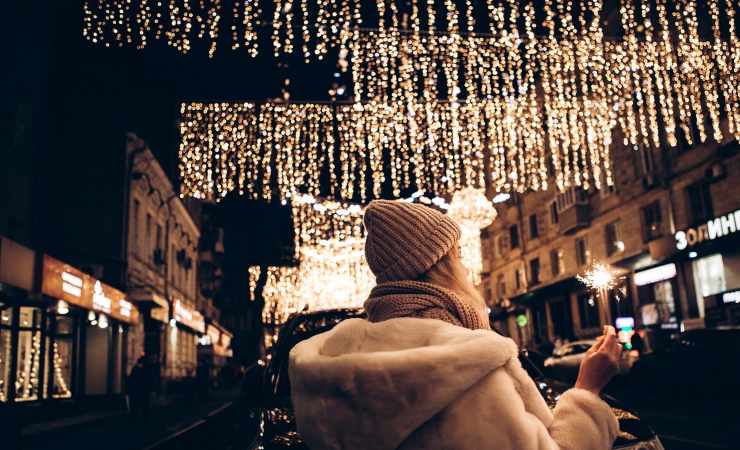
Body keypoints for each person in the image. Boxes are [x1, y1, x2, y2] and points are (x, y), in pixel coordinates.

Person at [289, 200, 621, 450]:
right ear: (441, 266)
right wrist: (586, 391)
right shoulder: (468, 365)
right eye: (457, 255)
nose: (466, 268)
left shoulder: (333, 365)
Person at [127, 356, 153, 420]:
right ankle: (143, 420)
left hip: (135, 391)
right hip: (142, 391)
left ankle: (134, 419)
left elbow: (131, 379)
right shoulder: (143, 370)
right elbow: (146, 381)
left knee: (135, 407)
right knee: (144, 407)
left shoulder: (135, 369)